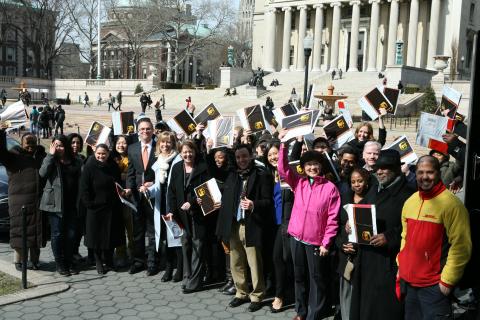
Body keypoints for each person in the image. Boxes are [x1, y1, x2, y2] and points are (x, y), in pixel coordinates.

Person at [398, 155, 472, 320]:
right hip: (409, 284)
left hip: (434, 288)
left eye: (430, 172)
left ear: (438, 173)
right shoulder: (410, 202)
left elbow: (461, 246)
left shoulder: (452, 205)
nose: (425, 177)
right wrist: (400, 265)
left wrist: (447, 281)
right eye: (420, 172)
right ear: (415, 174)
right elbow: (405, 238)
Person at [278, 131, 340, 320]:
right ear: (303, 167)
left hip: (316, 243)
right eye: (308, 165)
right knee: (299, 277)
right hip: (296, 238)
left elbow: (332, 218)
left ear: (321, 166)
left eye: (315, 164)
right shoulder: (299, 183)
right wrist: (283, 145)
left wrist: (326, 243)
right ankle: (301, 311)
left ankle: (314, 313)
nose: (312, 167)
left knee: (316, 279)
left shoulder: (330, 188)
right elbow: (283, 170)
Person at [349, 149, 415, 320]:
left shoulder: (410, 194)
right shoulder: (374, 189)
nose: (379, 171)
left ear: (395, 168)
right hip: (367, 259)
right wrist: (351, 221)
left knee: (384, 310)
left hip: (389, 263)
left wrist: (390, 237)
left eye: (384, 168)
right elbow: (360, 208)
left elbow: (414, 228)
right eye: (377, 168)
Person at [216, 143, 273, 312]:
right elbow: (213, 167)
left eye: (245, 156)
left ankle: (257, 295)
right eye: (238, 157)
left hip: (250, 224)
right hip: (233, 223)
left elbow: (268, 201)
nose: (242, 160)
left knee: (254, 262)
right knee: (236, 260)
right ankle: (241, 292)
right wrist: (215, 146)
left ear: (251, 156)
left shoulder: (261, 175)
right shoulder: (232, 174)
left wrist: (254, 204)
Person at [0, 129, 47, 271]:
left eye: (33, 142)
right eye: (27, 143)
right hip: (19, 204)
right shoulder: (13, 157)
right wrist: (2, 134)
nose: (30, 146)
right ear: (21, 144)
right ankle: (19, 261)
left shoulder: (41, 157)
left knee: (37, 232)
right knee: (20, 232)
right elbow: (1, 152)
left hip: (38, 202)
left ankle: (35, 260)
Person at [168, 140, 211, 293]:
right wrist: (171, 210)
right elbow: (171, 191)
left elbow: (207, 191)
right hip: (182, 215)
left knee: (198, 246)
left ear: (195, 151)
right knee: (185, 243)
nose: (188, 154)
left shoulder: (203, 167)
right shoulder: (177, 168)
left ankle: (195, 282)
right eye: (184, 152)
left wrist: (192, 202)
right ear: (180, 153)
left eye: (190, 151)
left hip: (199, 214)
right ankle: (187, 276)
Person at [39, 135, 83, 276]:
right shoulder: (51, 160)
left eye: (61, 145)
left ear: (67, 147)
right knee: (57, 234)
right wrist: (50, 156)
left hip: (72, 204)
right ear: (52, 146)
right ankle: (60, 263)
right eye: (56, 145)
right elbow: (42, 173)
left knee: (71, 235)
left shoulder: (76, 161)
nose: (58, 148)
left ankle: (69, 261)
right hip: (55, 203)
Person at [143, 131, 183, 282]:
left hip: (175, 204)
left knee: (177, 238)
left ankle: (179, 269)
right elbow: (157, 186)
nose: (165, 145)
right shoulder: (157, 162)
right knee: (166, 239)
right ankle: (168, 268)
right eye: (162, 142)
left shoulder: (178, 160)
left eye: (168, 142)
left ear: (173, 144)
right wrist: (147, 190)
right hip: (162, 204)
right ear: (158, 144)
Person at [80, 144, 125, 274]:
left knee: (111, 236)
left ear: (108, 154)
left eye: (103, 154)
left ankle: (109, 261)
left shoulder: (113, 166)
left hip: (111, 207)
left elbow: (118, 184)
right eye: (98, 153)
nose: (101, 156)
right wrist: (90, 204)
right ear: (95, 153)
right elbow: (84, 188)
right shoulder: (89, 167)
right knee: (96, 237)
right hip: (95, 208)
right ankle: (98, 261)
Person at [336, 167, 371, 320]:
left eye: (360, 181)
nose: (357, 184)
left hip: (363, 256)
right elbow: (335, 227)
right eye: (353, 182)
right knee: (345, 294)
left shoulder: (372, 200)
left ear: (367, 182)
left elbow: (371, 233)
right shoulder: (345, 200)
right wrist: (342, 245)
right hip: (345, 254)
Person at [264, 141, 294, 313]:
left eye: (276, 153)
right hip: (274, 225)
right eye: (270, 155)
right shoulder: (269, 174)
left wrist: (290, 142)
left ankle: (281, 296)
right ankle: (281, 294)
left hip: (288, 224)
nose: (273, 157)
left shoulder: (289, 173)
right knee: (277, 260)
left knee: (283, 259)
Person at [125, 118, 158, 275]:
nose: (145, 131)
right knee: (137, 231)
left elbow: (164, 172)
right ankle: (138, 261)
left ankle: (152, 262)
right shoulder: (132, 148)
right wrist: (128, 188)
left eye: (148, 129)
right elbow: (131, 172)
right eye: (142, 129)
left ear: (152, 130)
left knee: (152, 231)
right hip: (137, 197)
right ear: (138, 131)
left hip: (153, 196)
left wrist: (154, 184)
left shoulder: (160, 146)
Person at [111, 135, 135, 268]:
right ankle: (120, 253)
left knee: (131, 227)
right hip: (115, 199)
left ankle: (133, 253)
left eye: (124, 143)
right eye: (118, 143)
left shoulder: (132, 157)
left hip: (129, 198)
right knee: (118, 227)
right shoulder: (111, 158)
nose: (121, 145)